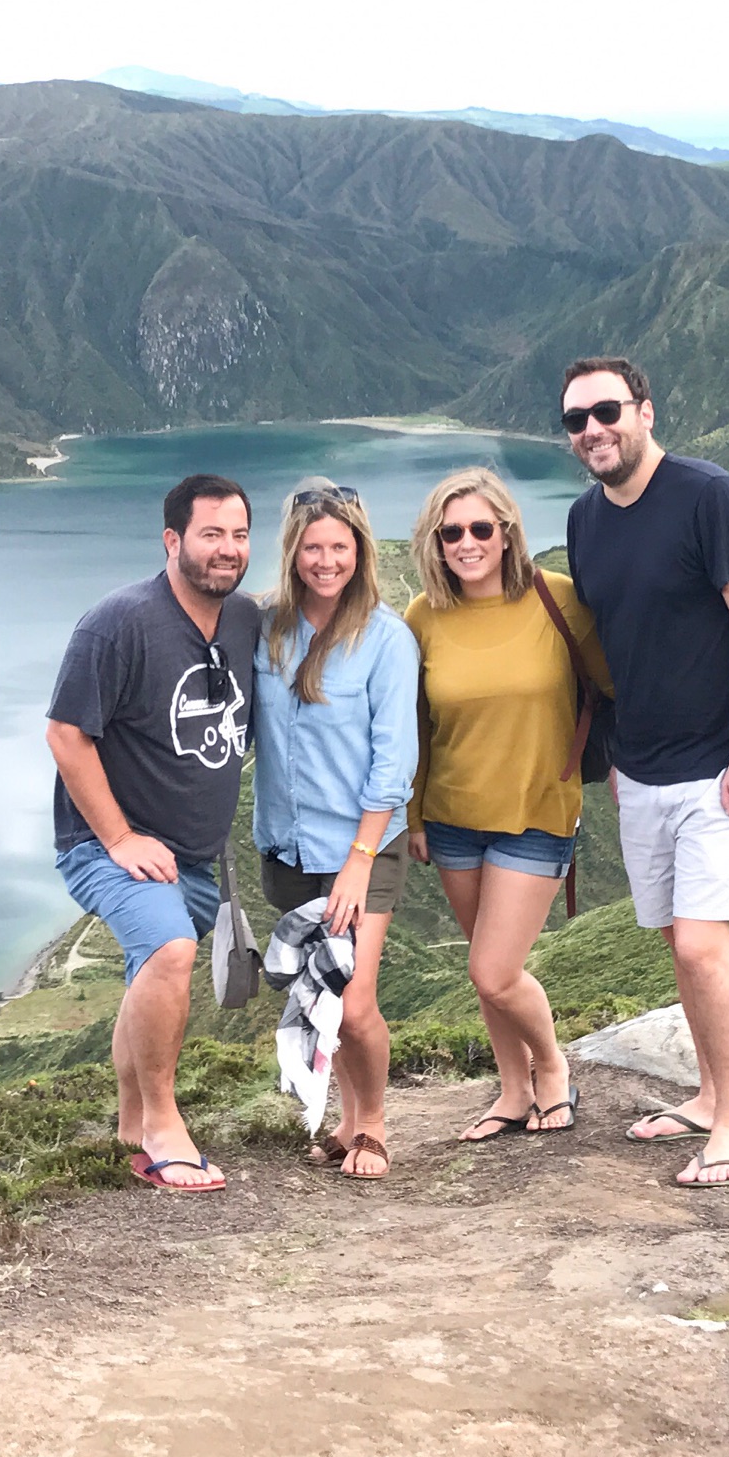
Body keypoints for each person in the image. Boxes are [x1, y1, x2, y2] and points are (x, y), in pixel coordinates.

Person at [558, 357, 729, 1190]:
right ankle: (707, 1093)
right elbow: (616, 647)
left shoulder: (710, 498)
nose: (593, 430)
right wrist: (616, 754)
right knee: (677, 944)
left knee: (702, 944)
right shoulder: (587, 521)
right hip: (644, 768)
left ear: (645, 412)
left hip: (726, 764)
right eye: (576, 420)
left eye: (607, 410)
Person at [44, 474, 260, 1194]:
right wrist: (119, 840)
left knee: (150, 971)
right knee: (169, 951)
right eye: (210, 535)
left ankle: (131, 1122)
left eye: (238, 535)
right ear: (172, 541)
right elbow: (67, 735)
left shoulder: (243, 622)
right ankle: (165, 1127)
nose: (227, 550)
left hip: (193, 854)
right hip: (107, 844)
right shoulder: (119, 623)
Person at [403, 466, 612, 1145]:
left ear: (507, 533)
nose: (466, 542)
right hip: (452, 816)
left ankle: (552, 1070)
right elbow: (414, 727)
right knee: (489, 971)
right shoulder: (423, 617)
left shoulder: (559, 601)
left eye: (480, 529)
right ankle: (513, 1089)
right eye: (450, 532)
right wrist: (413, 817)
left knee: (492, 970)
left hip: (537, 810)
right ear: (435, 543)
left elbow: (621, 679)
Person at [250, 478, 419, 1179]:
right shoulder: (265, 630)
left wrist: (357, 858)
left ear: (361, 551)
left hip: (364, 849)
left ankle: (373, 1126)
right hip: (286, 848)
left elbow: (393, 762)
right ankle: (344, 1121)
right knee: (318, 994)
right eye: (313, 547)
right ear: (292, 553)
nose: (326, 560)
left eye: (340, 547)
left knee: (354, 1001)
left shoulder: (386, 640)